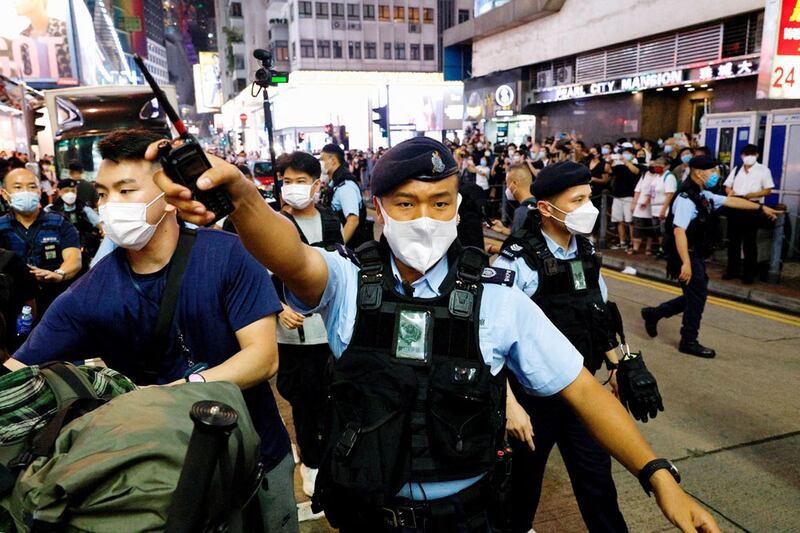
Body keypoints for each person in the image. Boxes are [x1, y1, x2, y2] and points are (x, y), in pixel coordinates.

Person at [155, 136, 720, 533]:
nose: (424, 218)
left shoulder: (498, 300)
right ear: (378, 208)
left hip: (471, 518)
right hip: (367, 516)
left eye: (439, 202)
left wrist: (658, 476)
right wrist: (244, 198)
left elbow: (584, 390)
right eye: (406, 203)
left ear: (456, 207)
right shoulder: (348, 283)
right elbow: (290, 255)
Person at [3, 130, 299, 533]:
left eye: (126, 190)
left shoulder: (229, 255)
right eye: (104, 194)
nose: (110, 207)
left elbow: (262, 358)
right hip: (159, 473)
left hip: (255, 455)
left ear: (170, 194)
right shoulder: (89, 294)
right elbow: (16, 376)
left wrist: (175, 389)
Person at [493, 161, 627, 533]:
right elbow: (491, 338)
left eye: (589, 197)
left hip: (582, 392)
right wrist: (510, 405)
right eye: (578, 200)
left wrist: (618, 363)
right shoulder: (519, 260)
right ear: (546, 209)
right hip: (534, 401)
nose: (589, 208)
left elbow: (598, 313)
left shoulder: (585, 250)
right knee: (520, 491)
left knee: (599, 486)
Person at [641, 156, 779, 358]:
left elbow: (731, 200)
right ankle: (688, 340)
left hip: (694, 253)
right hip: (685, 254)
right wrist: (686, 263)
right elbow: (679, 231)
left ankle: (655, 313)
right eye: (712, 171)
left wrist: (760, 207)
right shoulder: (686, 198)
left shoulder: (702, 194)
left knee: (696, 294)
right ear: (699, 173)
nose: (716, 175)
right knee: (697, 297)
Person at [273, 151, 342, 498]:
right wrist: (278, 306)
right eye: (287, 181)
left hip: (329, 332)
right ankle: (310, 464)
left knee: (330, 398)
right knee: (303, 401)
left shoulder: (332, 221)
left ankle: (327, 458)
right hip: (293, 334)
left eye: (301, 181)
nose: (293, 188)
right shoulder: (275, 226)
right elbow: (259, 277)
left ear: (317, 184)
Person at [0, 168, 82, 314]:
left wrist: (59, 274)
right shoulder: (1, 227)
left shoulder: (59, 223)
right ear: (5, 194)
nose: (26, 191)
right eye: (18, 187)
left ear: (39, 192)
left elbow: (74, 258)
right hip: (13, 304)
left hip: (56, 301)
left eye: (32, 187)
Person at [722, 144, 775, 284]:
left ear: (757, 155)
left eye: (751, 154)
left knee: (749, 242)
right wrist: (729, 192)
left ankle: (748, 274)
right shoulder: (737, 169)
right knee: (733, 241)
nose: (748, 157)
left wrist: (754, 194)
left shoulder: (763, 170)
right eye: (746, 154)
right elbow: (727, 186)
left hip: (752, 206)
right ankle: (732, 270)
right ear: (742, 155)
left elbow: (768, 189)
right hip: (736, 205)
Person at [45, 178, 103, 271]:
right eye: (66, 191)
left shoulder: (83, 208)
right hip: (60, 247)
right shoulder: (50, 210)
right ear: (59, 191)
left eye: (73, 190)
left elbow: (98, 222)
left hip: (83, 248)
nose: (70, 193)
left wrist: (104, 232)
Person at [320, 144, 370, 247]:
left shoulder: (345, 186)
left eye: (322, 159)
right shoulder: (335, 181)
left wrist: (338, 249)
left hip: (351, 248)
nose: (320, 163)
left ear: (333, 160)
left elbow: (353, 221)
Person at [489, 163, 535, 247]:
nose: (507, 187)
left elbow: (517, 246)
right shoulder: (539, 204)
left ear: (514, 183)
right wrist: (503, 230)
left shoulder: (521, 212)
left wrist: (493, 248)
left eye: (507, 183)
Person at [610, 147, 641, 250]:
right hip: (617, 196)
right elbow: (610, 169)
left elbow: (636, 171)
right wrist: (609, 160)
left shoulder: (637, 166)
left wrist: (626, 162)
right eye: (624, 153)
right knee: (619, 221)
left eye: (628, 153)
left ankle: (632, 243)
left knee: (630, 221)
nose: (625, 155)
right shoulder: (619, 167)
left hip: (629, 196)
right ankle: (622, 242)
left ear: (633, 156)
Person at [631, 161, 660, 255]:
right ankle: (635, 248)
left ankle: (648, 248)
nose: (652, 167)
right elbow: (637, 190)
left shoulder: (659, 176)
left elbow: (653, 191)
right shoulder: (644, 175)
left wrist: (646, 202)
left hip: (652, 207)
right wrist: (634, 204)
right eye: (650, 165)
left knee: (650, 230)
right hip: (639, 206)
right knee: (637, 227)